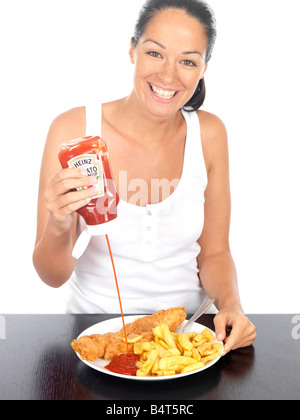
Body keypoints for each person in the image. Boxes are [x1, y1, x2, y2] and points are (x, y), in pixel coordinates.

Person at [33, 0, 256, 354]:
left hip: (185, 339)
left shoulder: (210, 133)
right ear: (132, 49)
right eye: (155, 53)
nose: (169, 76)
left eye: (187, 61)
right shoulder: (74, 130)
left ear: (204, 68)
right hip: (95, 339)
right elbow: (52, 275)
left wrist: (231, 306)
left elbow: (214, 252)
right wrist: (59, 225)